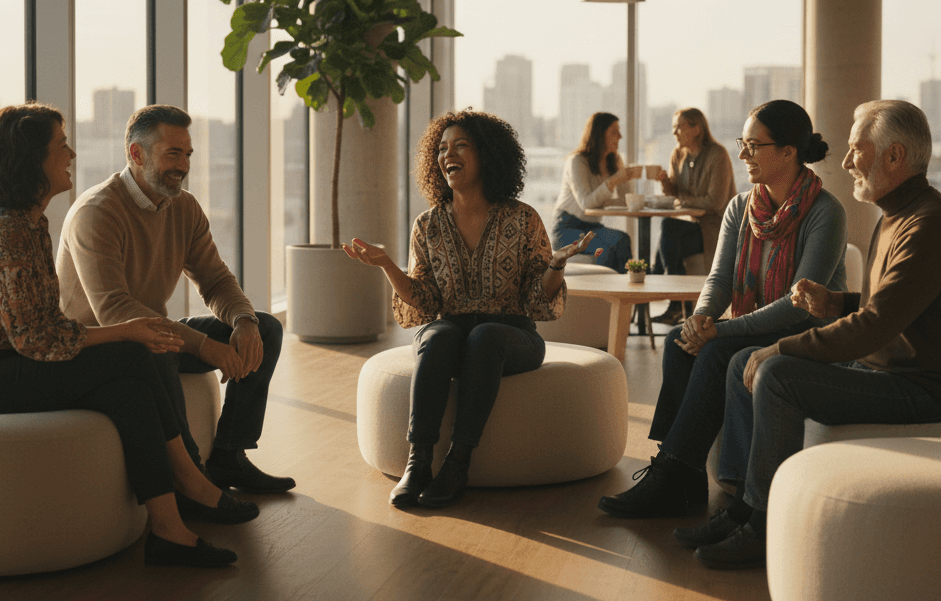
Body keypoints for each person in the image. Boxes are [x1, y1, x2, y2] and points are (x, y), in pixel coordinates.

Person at [0, 103, 253, 569]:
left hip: (1, 359)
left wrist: (131, 332)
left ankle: (168, 529)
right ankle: (190, 479)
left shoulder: (29, 222)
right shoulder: (6, 231)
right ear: (31, 159)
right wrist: (126, 332)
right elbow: (35, 339)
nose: (71, 153)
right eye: (61, 146)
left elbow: (42, 329)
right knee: (134, 355)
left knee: (128, 389)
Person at [681, 100, 941, 571]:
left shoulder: (929, 225)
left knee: (775, 371)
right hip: (890, 367)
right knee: (742, 361)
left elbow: (875, 328)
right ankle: (743, 506)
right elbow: (895, 307)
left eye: (856, 150)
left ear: (895, 157)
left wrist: (779, 346)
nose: (844, 162)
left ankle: (764, 527)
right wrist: (837, 302)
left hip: (928, 387)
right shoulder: (897, 214)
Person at [597, 99, 847, 520]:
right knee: (680, 341)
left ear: (788, 152)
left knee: (714, 351)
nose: (743, 154)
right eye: (741, 143)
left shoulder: (826, 213)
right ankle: (682, 476)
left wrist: (721, 332)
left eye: (754, 145)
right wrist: (701, 318)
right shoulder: (741, 207)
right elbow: (720, 280)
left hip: (803, 332)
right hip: (758, 325)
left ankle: (672, 475)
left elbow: (798, 307)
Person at [344, 110, 589, 509]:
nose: (448, 155)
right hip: (451, 330)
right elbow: (424, 302)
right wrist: (389, 265)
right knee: (438, 335)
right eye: (441, 148)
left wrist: (556, 266)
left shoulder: (523, 219)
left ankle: (458, 463)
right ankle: (418, 463)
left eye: (460, 146)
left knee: (485, 335)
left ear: (487, 156)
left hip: (513, 335)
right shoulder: (428, 225)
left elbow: (536, 300)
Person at [56, 105, 293, 510]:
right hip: (102, 347)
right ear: (136, 154)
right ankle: (190, 482)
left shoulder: (184, 208)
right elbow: (116, 311)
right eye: (172, 154)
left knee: (267, 329)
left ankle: (229, 457)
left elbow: (215, 279)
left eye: (187, 155)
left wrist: (244, 320)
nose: (183, 166)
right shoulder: (97, 213)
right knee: (159, 348)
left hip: (151, 332)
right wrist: (204, 346)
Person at [651, 107, 737, 325]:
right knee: (669, 234)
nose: (674, 133)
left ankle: (669, 296)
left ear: (697, 129)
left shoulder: (718, 155)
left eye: (679, 127)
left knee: (669, 231)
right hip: (690, 225)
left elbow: (715, 202)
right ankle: (678, 304)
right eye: (673, 128)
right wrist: (665, 182)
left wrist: (682, 201)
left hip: (714, 227)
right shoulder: (678, 154)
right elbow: (675, 193)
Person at [551, 111, 647, 273]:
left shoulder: (614, 161)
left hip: (592, 227)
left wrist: (624, 177)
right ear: (599, 135)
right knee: (608, 247)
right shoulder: (577, 162)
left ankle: (630, 295)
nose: (620, 137)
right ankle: (608, 295)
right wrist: (615, 180)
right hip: (566, 229)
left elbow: (625, 201)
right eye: (614, 132)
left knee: (622, 239)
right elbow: (587, 203)